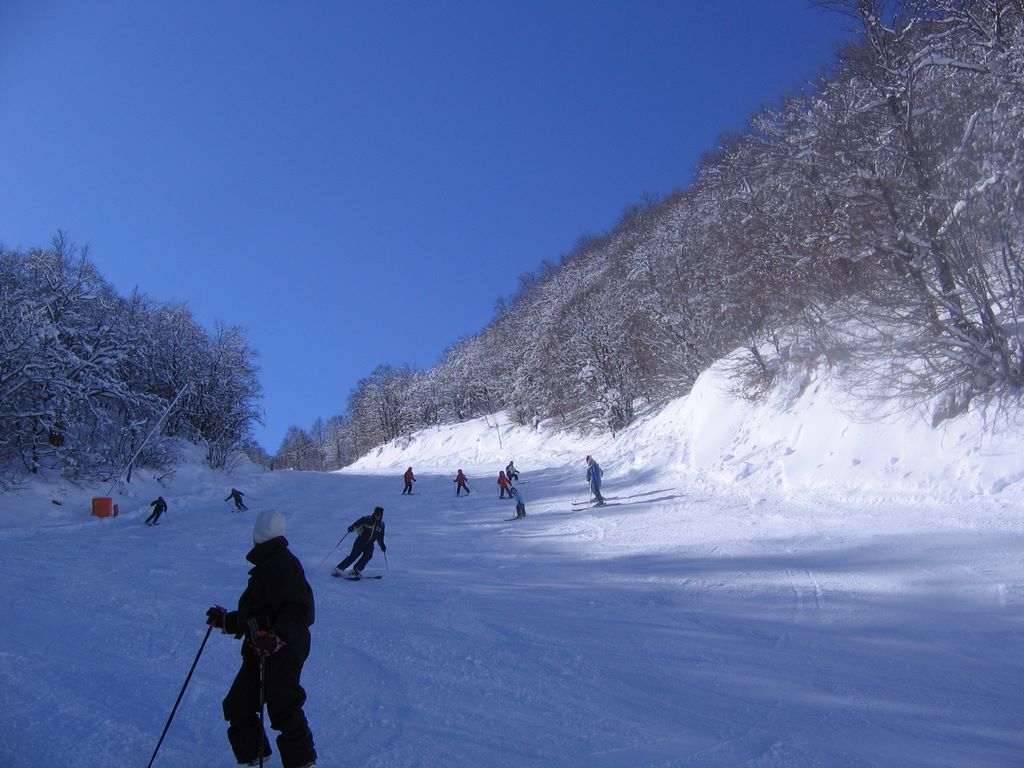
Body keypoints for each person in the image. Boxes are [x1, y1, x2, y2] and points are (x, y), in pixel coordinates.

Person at [205, 510, 317, 768]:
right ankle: (254, 756)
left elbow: (301, 609)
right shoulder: (268, 564)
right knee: (238, 704)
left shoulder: (283, 565)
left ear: (258, 536)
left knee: (283, 706)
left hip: (283, 651)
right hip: (260, 650)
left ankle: (303, 763)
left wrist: (277, 637)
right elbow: (257, 614)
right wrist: (225, 621)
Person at [332, 506, 386, 578]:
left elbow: (380, 537)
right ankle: (339, 569)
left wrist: (382, 545)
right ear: (374, 513)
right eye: (376, 514)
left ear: (381, 515)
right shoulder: (366, 519)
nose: (377, 516)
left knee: (368, 556)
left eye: (379, 515)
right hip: (361, 541)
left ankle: (356, 570)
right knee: (353, 556)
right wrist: (352, 528)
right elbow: (357, 524)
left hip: (370, 544)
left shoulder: (381, 525)